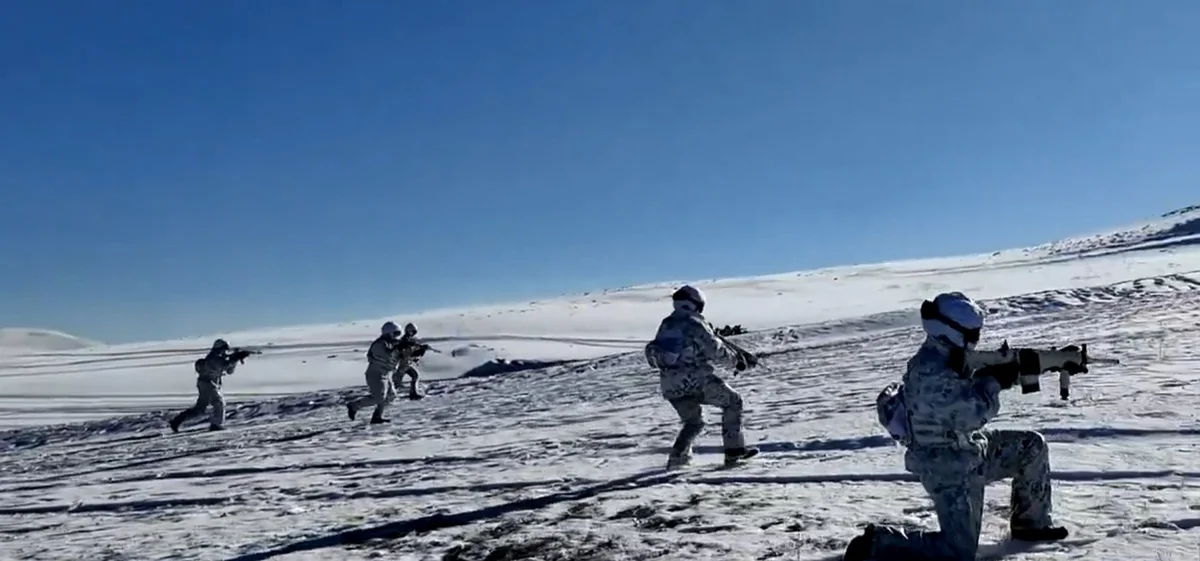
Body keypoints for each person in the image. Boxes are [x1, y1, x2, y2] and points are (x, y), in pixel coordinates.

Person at [844, 292, 1069, 561]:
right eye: (972, 334)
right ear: (951, 330)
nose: (975, 340)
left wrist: (1040, 365)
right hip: (947, 466)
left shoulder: (951, 356)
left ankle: (1030, 524)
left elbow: (981, 377)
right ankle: (878, 543)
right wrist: (995, 382)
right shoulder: (930, 371)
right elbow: (973, 414)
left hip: (969, 447)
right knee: (958, 552)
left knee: (1031, 446)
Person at [644, 285, 759, 469]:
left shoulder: (666, 324)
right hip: (696, 381)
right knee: (733, 402)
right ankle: (734, 453)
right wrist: (737, 363)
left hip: (670, 386)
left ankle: (677, 460)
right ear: (697, 304)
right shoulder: (694, 324)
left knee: (694, 421)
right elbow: (716, 350)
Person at [347, 321, 430, 424]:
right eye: (395, 334)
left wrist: (417, 351)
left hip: (387, 374)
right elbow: (388, 356)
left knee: (391, 396)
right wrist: (399, 347)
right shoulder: (379, 344)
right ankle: (354, 405)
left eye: (398, 334)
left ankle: (377, 417)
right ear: (388, 333)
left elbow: (403, 356)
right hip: (376, 374)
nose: (397, 337)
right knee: (378, 398)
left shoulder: (392, 344)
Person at [169, 338, 252, 432]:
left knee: (200, 408)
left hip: (206, 384)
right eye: (224, 349)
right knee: (219, 403)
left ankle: (177, 421)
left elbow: (229, 371)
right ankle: (216, 424)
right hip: (208, 384)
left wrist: (235, 359)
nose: (225, 351)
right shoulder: (213, 358)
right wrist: (235, 358)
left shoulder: (217, 358)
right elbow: (224, 366)